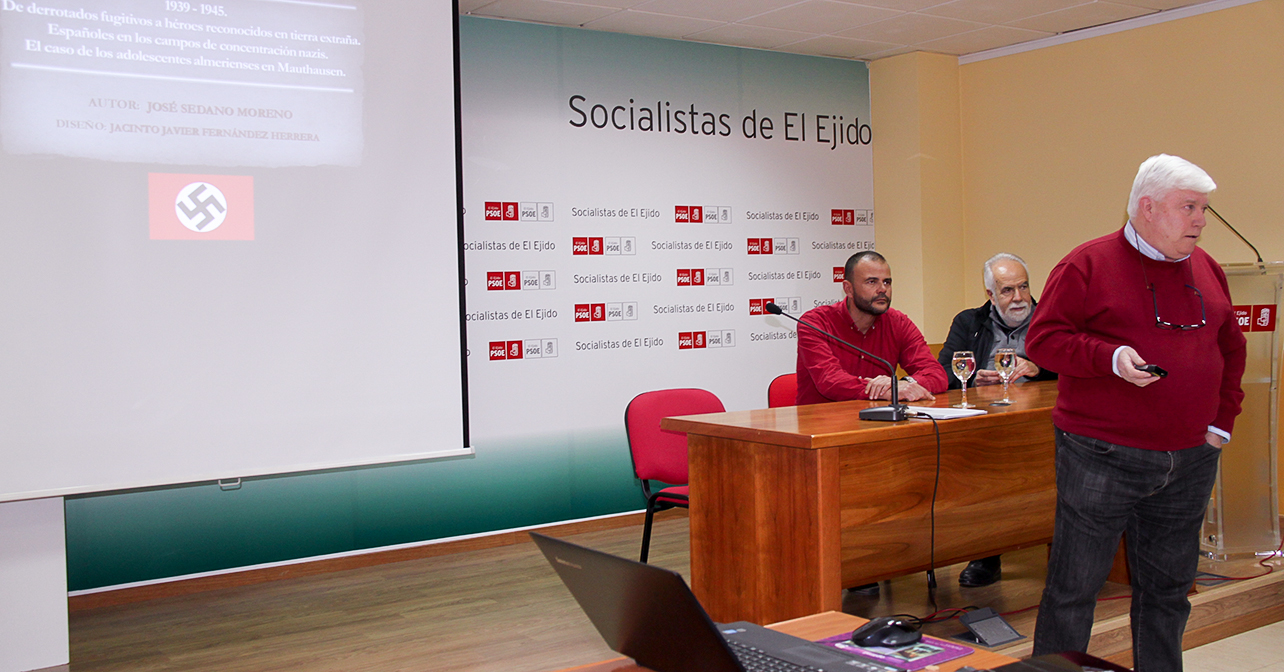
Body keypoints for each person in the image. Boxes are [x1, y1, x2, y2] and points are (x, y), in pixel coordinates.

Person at [1026, 154, 1246, 671]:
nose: (1200, 220)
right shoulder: (1087, 264)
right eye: (1189, 207)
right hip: (1102, 455)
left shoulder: (1208, 268)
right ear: (1147, 208)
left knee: (1169, 591)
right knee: (1074, 590)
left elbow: (1232, 349)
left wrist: (1221, 424)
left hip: (1191, 457)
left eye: (1203, 209)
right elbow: (1044, 341)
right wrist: (1111, 359)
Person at [937, 253, 1058, 588]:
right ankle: (986, 551)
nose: (1019, 298)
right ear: (990, 294)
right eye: (1008, 290)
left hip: (1042, 424)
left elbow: (1076, 366)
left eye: (1023, 287)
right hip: (986, 424)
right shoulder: (969, 322)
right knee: (975, 474)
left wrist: (1039, 369)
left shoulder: (1052, 319)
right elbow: (943, 370)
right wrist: (974, 379)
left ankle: (1058, 546)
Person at [796, 251, 948, 405]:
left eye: (887, 282)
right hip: (821, 423)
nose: (882, 289)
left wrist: (905, 383)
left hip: (879, 422)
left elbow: (937, 375)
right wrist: (888, 390)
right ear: (848, 289)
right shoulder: (815, 323)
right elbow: (830, 381)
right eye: (872, 282)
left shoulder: (899, 323)